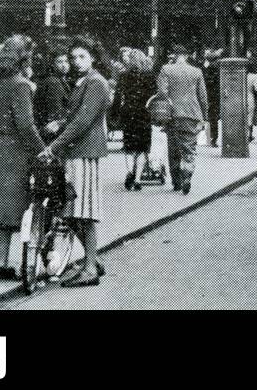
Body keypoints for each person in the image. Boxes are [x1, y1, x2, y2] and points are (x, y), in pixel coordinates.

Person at [41, 36, 111, 287]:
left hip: (85, 153)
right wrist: (60, 124)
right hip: (75, 152)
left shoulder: (95, 83)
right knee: (71, 211)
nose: (77, 62)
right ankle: (93, 261)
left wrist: (54, 146)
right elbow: (75, 117)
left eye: (82, 57)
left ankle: (90, 267)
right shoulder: (83, 81)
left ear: (93, 57)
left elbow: (83, 121)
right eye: (73, 58)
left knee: (83, 212)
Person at [0, 35, 43, 281]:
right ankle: (2, 263)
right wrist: (41, 150)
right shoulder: (20, 85)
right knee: (8, 206)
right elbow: (26, 125)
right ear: (24, 57)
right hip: (14, 150)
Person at [155, 43, 207, 193]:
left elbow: (162, 93)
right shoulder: (197, 72)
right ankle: (187, 174)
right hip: (192, 115)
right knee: (190, 148)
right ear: (187, 56)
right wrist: (204, 116)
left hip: (173, 115)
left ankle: (176, 181)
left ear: (174, 56)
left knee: (174, 148)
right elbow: (203, 97)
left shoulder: (166, 69)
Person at [111, 48, 154, 190]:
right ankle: (137, 179)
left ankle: (129, 171)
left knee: (130, 147)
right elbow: (154, 96)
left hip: (128, 113)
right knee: (142, 148)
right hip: (144, 113)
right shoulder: (149, 76)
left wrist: (115, 113)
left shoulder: (124, 76)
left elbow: (118, 96)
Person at [34, 49, 70, 132]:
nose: (64, 65)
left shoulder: (59, 81)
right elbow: (55, 115)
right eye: (59, 62)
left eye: (66, 61)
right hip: (51, 131)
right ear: (53, 64)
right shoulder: (53, 82)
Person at [202, 46, 222, 146]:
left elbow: (206, 81)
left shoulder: (208, 67)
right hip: (215, 96)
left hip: (208, 95)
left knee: (207, 117)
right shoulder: (217, 67)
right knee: (213, 118)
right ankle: (213, 138)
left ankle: (209, 138)